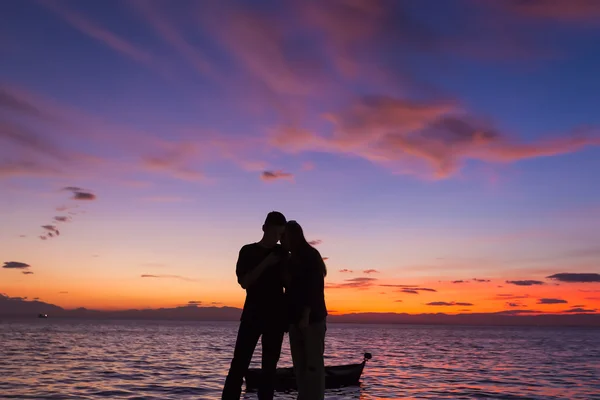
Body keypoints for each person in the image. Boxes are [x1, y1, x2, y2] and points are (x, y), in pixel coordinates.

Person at [221, 211, 289, 400]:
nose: (276, 238)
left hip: (276, 318)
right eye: (273, 232)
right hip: (252, 314)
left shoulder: (283, 253)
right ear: (264, 228)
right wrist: (266, 262)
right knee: (239, 365)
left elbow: (289, 284)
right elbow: (245, 282)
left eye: (279, 234)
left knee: (270, 369)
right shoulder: (248, 251)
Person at [283, 220, 328, 400]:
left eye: (283, 237)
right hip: (295, 319)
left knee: (313, 366)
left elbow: (314, 287)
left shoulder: (310, 255)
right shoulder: (290, 258)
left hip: (312, 319)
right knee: (300, 366)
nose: (281, 241)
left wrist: (306, 314)